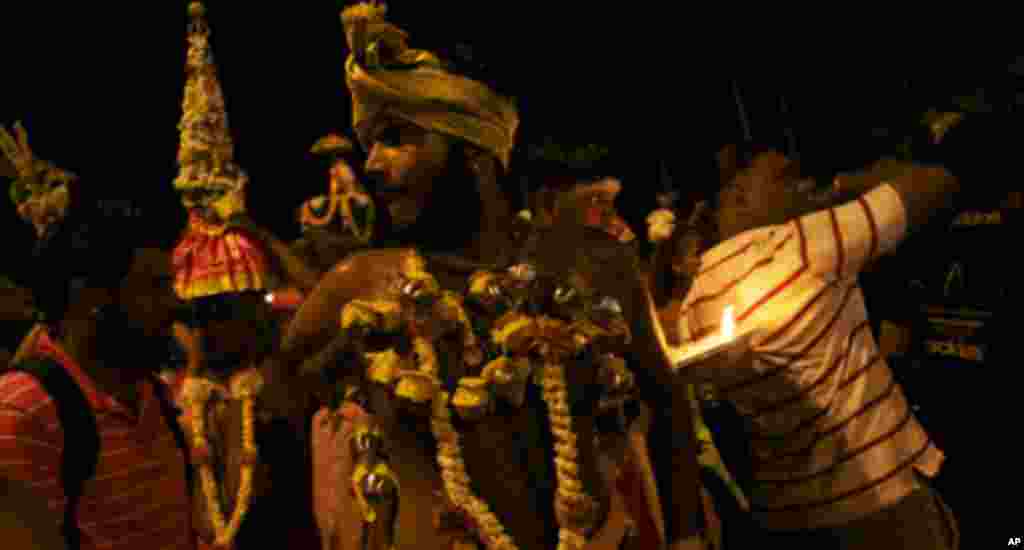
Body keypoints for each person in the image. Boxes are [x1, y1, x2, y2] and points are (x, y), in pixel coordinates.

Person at [264, 3, 704, 549]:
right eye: (370, 143)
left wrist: (687, 537)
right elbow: (275, 417)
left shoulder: (591, 265)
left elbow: (667, 406)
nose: (372, 165)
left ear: (474, 151)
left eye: (397, 138)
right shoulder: (360, 290)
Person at [650, 138, 965, 549]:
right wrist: (840, 186)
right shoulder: (796, 244)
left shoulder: (695, 302)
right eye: (782, 178)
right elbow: (935, 183)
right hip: (877, 503)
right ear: (738, 194)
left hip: (789, 516)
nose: (799, 187)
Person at [168, 4, 321, 549]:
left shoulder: (282, 392)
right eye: (200, 313)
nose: (212, 326)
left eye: (229, 307)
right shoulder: (170, 406)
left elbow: (317, 296)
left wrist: (252, 230)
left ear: (257, 309)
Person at [0, 201, 194, 550]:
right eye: (153, 288)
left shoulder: (154, 396)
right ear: (89, 298)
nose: (174, 305)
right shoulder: (25, 414)